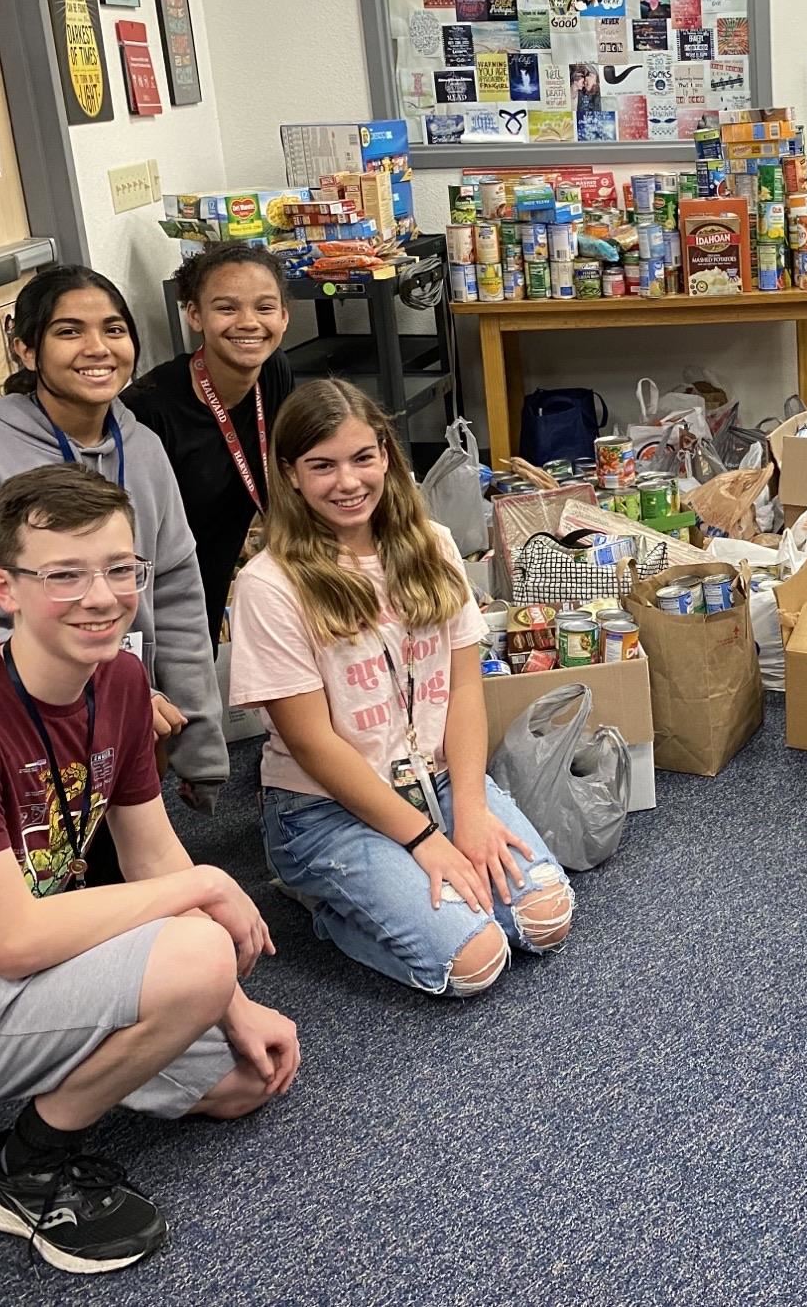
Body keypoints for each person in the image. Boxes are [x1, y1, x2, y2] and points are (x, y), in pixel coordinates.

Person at [0, 466, 298, 1273]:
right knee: (195, 952)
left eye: (120, 570)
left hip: (13, 965)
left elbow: (150, 850)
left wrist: (233, 1007)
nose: (102, 596)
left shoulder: (118, 678)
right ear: (4, 588)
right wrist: (208, 898)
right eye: (64, 575)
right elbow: (13, 941)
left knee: (239, 1081)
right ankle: (28, 1167)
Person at [228, 379, 574, 995]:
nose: (348, 481)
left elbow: (466, 691)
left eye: (363, 458)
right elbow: (311, 744)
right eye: (322, 466)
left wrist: (467, 813)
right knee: (474, 962)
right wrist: (423, 842)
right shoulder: (270, 584)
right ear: (290, 475)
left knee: (544, 919)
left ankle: (415, 877)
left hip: (435, 778)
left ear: (386, 454)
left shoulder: (432, 545)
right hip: (323, 808)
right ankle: (325, 906)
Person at [0, 266, 227, 804]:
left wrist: (202, 749)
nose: (98, 348)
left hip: (108, 706)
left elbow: (177, 594)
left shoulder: (142, 449)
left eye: (114, 330)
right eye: (69, 332)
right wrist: (107, 702)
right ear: (25, 349)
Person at [122, 242, 295, 637]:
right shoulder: (148, 410)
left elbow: (283, 464)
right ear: (195, 316)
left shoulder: (273, 372)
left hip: (217, 564)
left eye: (265, 308)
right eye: (227, 308)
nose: (249, 322)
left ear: (284, 317)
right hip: (161, 588)